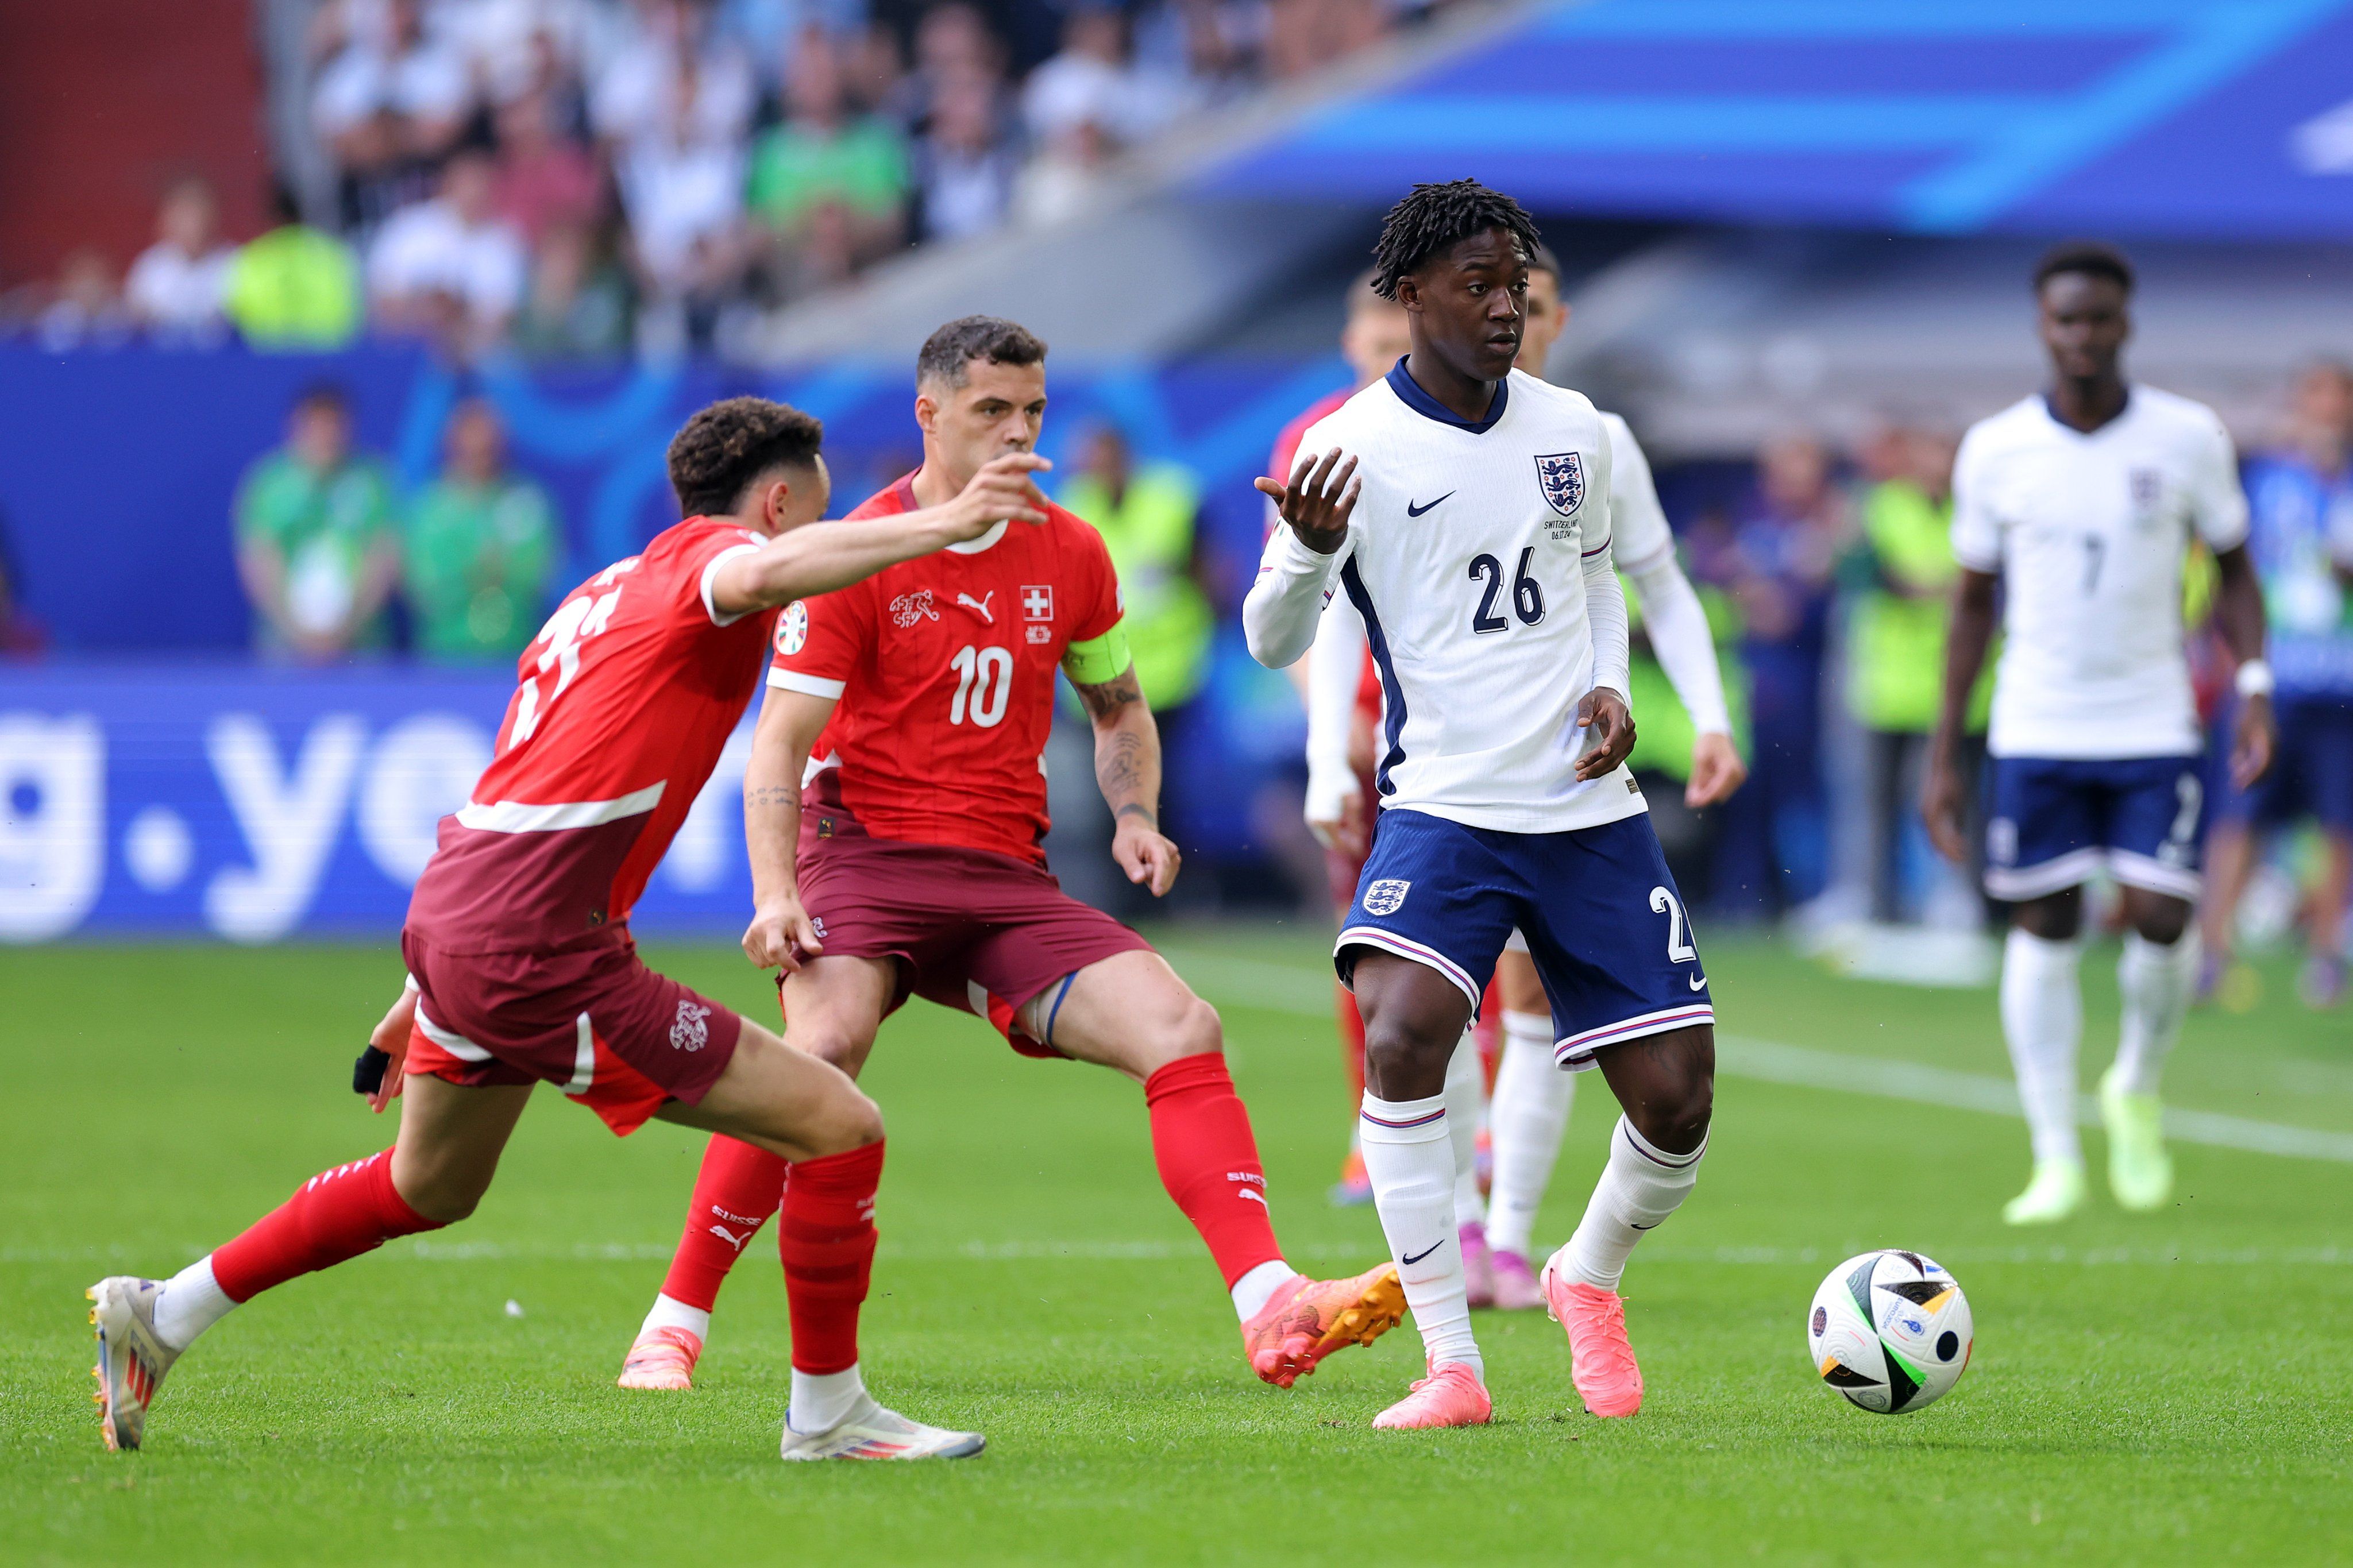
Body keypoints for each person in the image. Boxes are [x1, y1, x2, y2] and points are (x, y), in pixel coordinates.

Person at [89, 396, 1060, 1459]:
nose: (832, 557)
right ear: (777, 506)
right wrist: (949, 519)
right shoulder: (720, 566)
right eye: (821, 525)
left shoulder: (600, 593)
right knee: (840, 1123)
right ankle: (826, 1415)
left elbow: (531, 776)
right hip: (542, 948)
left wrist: (423, 988)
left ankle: (164, 1312)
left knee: (431, 1185)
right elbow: (766, 574)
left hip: (467, 915)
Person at [613, 316, 1403, 1398]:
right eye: (992, 410)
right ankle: (674, 1324)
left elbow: (1118, 706)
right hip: (868, 861)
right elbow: (781, 748)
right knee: (822, 1050)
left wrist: (1134, 815)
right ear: (928, 415)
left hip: (1000, 881)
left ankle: (1271, 1302)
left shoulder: (1071, 549)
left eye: (1033, 410)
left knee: (1183, 1026)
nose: (1018, 432)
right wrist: (775, 891)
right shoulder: (859, 551)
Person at [1247, 180, 1716, 1430]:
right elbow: (1267, 635)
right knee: (1400, 1033)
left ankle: (1583, 1271)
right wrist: (1299, 550)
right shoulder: (1347, 450)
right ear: (1407, 300)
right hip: (1445, 808)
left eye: (1515, 287)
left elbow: (1597, 581)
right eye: (1475, 286)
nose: (1505, 308)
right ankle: (1451, 1365)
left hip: (1587, 812)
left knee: (1677, 1106)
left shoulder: (1575, 430)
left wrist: (1611, 686)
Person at [1922, 242, 2273, 1226]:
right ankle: (2054, 1153)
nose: (2082, 336)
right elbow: (1970, 605)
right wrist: (1947, 751)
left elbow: (2238, 571)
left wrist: (2251, 684)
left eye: (2099, 320)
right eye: (2065, 320)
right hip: (2036, 724)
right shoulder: (1995, 449)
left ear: (2125, 324)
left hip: (2155, 717)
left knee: (2164, 915)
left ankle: (2134, 1083)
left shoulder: (2187, 437)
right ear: (2043, 326)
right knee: (2047, 924)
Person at [1266, 268, 1411, 1207]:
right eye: (1375, 318)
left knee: (1501, 946)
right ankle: (1375, 1133)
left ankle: (1476, 1141)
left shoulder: (1491, 423)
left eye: (1405, 316)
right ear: (1351, 335)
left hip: (1464, 727)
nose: (1391, 336)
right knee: (1368, 939)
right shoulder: (1318, 439)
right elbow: (1290, 597)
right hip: (1364, 729)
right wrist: (1336, 722)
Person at [2200, 361, 2353, 1009]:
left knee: (2337, 822)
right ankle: (2211, 953)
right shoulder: (2264, 479)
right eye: (2313, 396)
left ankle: (2324, 957)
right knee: (2239, 816)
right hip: (2272, 679)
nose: (2323, 409)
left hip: (2340, 680)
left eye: (2335, 397)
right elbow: (2233, 571)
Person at [1056, 422, 1214, 872]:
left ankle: (1171, 886)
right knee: (1107, 787)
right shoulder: (1072, 508)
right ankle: (1123, 889)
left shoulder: (1171, 500)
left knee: (1164, 789)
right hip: (1094, 673)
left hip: (1168, 675)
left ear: (1126, 456)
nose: (1096, 468)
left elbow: (1209, 575)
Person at [1846, 422, 1988, 923]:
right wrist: (1939, 590)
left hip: (1960, 686)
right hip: (1893, 686)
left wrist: (1931, 589)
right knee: (1882, 803)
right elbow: (1878, 575)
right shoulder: (1885, 506)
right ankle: (1883, 907)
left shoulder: (1975, 510)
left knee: (1965, 800)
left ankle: (1969, 903)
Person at [234, 385, 400, 661]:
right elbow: (259, 563)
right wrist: (297, 632)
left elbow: (384, 559)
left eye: (333, 425)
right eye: (316, 425)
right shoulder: (269, 485)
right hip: (286, 647)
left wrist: (345, 631)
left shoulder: (373, 482)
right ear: (296, 427)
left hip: (361, 646)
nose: (325, 436)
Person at [403, 398, 560, 661]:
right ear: (453, 449)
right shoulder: (429, 508)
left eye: (487, 451)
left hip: (515, 652)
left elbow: (536, 574)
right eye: (470, 453)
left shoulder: (526, 502)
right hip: (446, 654)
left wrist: (468, 571)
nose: (479, 461)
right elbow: (426, 586)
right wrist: (485, 569)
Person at [368, 150, 530, 356]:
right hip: (404, 350)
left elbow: (499, 321)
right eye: (466, 183)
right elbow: (384, 302)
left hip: (474, 360)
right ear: (447, 184)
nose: (474, 193)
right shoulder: (409, 227)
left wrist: (453, 319)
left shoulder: (505, 243)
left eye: (481, 184)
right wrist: (427, 311)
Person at [225, 185, 363, 350]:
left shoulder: (251, 259)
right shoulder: (334, 255)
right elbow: (352, 319)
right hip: (324, 363)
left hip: (264, 363)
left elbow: (234, 319)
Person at [125, 178, 236, 343]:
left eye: (196, 213)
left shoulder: (235, 263)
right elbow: (132, 326)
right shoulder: (151, 267)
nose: (190, 224)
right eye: (182, 215)